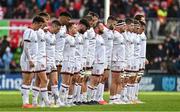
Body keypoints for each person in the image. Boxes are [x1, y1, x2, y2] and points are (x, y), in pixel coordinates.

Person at [20, 16, 45, 108]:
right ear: (35, 23)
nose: (40, 27)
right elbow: (26, 47)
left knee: (29, 80)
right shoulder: (29, 31)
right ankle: (25, 103)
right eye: (39, 25)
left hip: (32, 59)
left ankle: (27, 102)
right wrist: (30, 59)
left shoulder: (33, 32)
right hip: (27, 59)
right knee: (26, 80)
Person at [96, 16, 117, 105]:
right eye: (114, 24)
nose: (115, 26)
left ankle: (100, 97)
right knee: (99, 78)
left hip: (108, 59)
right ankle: (97, 97)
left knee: (104, 78)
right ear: (110, 22)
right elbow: (98, 28)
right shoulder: (103, 29)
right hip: (102, 58)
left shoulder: (111, 32)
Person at [32, 12, 50, 107]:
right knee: (45, 80)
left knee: (38, 81)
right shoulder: (36, 31)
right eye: (46, 20)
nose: (47, 22)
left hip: (42, 58)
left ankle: (35, 102)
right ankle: (47, 102)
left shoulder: (42, 32)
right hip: (39, 59)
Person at [87, 21, 105, 105]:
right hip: (96, 61)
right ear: (97, 28)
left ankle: (93, 98)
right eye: (101, 27)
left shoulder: (100, 37)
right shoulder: (93, 36)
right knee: (93, 80)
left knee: (98, 80)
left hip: (101, 61)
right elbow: (90, 48)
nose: (103, 28)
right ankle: (89, 98)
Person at [45, 20, 63, 106]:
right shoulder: (45, 35)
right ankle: (43, 101)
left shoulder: (53, 36)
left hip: (52, 61)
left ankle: (57, 100)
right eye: (58, 29)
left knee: (55, 81)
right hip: (45, 61)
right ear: (53, 26)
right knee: (45, 82)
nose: (58, 31)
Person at [59, 23, 77, 106]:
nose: (76, 29)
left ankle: (65, 100)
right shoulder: (66, 37)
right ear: (69, 29)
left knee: (69, 82)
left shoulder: (73, 38)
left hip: (72, 62)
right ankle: (61, 100)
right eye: (74, 28)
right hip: (66, 61)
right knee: (65, 82)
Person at [109, 20, 126, 104]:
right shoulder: (114, 34)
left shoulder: (121, 35)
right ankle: (112, 98)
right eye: (124, 26)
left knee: (119, 80)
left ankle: (117, 98)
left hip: (121, 60)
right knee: (114, 80)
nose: (125, 27)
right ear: (119, 26)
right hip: (116, 60)